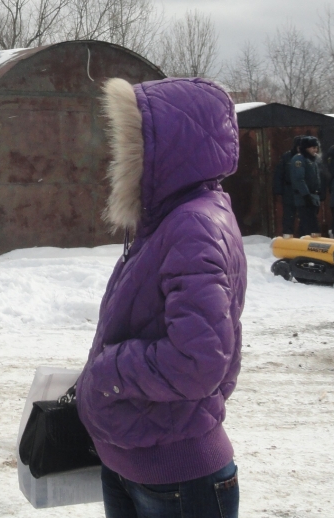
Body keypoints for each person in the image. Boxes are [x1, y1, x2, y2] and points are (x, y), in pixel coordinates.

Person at [77, 77, 245, 518]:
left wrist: (107, 371)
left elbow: (199, 361)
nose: (119, 157)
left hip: (177, 475)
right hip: (139, 462)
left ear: (165, 148)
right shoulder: (171, 219)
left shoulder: (194, 225)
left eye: (131, 142)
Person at [289, 135, 322, 235]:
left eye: (316, 147)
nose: (315, 150)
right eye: (313, 147)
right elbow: (299, 179)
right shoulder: (299, 159)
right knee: (311, 226)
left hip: (313, 197)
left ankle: (300, 243)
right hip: (304, 198)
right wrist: (306, 196)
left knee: (305, 226)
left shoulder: (312, 160)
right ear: (306, 148)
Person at [273, 136, 303, 236]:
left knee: (304, 217)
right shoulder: (287, 157)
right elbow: (279, 174)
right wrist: (278, 191)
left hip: (304, 191)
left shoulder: (308, 157)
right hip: (289, 190)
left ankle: (303, 238)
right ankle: (287, 238)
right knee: (288, 217)